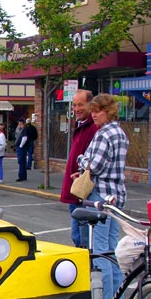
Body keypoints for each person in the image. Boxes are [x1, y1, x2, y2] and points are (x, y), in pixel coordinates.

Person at [75, 94, 128, 299]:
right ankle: (118, 293)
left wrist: (82, 159)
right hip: (117, 193)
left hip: (101, 194)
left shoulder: (104, 134)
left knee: (100, 247)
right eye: (93, 110)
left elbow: (93, 166)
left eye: (97, 111)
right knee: (111, 246)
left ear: (108, 111)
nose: (93, 114)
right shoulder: (121, 133)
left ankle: (104, 296)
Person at [61, 90, 100, 248]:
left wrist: (83, 173)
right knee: (77, 235)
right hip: (76, 188)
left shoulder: (94, 129)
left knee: (83, 237)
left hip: (84, 190)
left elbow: (94, 162)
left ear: (91, 105)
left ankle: (87, 267)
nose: (77, 109)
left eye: (80, 105)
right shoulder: (82, 126)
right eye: (75, 105)